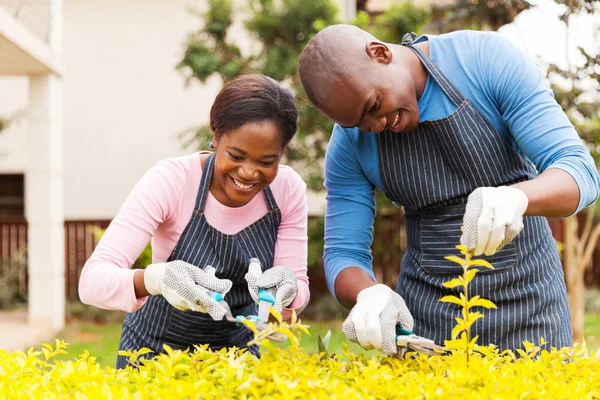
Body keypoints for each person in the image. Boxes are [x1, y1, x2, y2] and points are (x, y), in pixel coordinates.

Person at [298, 25, 600, 355]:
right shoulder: (350, 145)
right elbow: (344, 253)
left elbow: (577, 170)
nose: (375, 126)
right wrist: (367, 293)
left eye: (373, 106)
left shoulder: (483, 60)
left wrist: (519, 196)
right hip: (430, 323)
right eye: (357, 123)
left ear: (380, 53)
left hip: (531, 309)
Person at [79, 74, 310, 368]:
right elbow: (91, 282)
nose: (249, 173)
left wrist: (288, 293)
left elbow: (297, 286)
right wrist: (156, 279)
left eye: (267, 162)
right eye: (236, 156)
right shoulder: (171, 181)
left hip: (238, 362)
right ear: (215, 135)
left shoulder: (287, 190)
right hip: (153, 358)